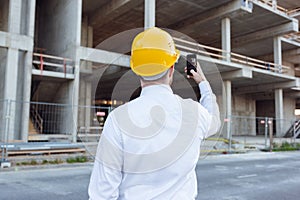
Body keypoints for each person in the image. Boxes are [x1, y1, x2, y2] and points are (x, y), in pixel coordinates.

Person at [88, 27, 220, 200]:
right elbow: (215, 121)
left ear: (137, 70)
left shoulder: (118, 119)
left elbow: (102, 192)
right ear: (171, 69)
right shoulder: (194, 113)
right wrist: (202, 82)